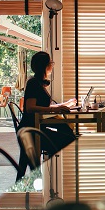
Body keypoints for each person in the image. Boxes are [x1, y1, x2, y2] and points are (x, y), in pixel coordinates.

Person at [17, 51, 77, 179]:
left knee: (67, 133)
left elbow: (45, 107)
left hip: (35, 128)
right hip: (32, 132)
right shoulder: (33, 83)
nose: (52, 65)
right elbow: (30, 108)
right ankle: (59, 177)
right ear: (44, 66)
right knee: (69, 139)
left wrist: (64, 104)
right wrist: (56, 110)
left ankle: (57, 176)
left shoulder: (38, 83)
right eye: (51, 63)